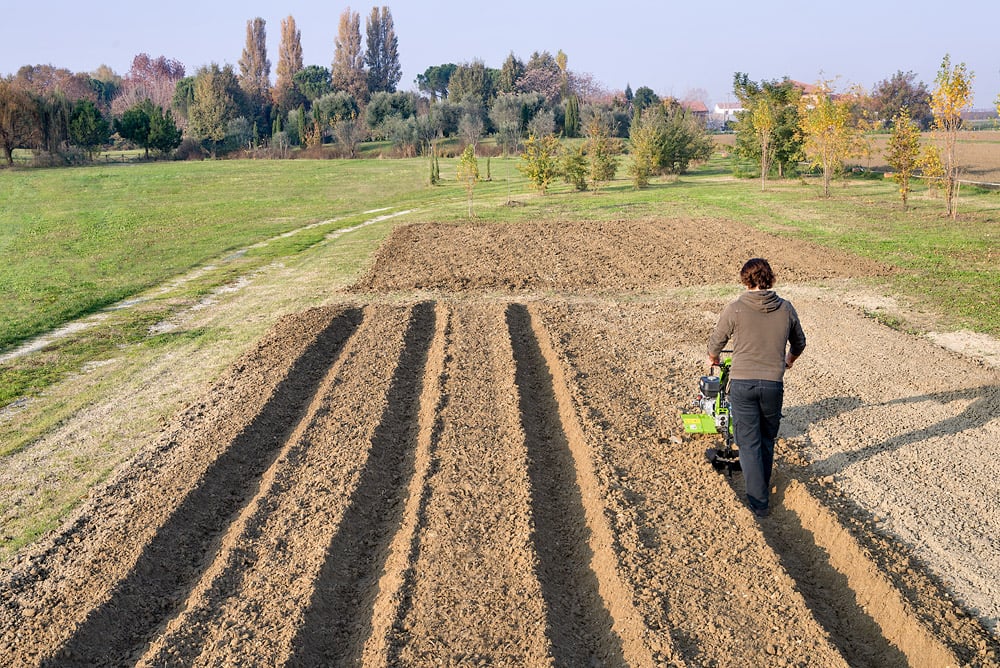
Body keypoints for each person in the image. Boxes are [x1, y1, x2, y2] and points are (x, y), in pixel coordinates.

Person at [707, 258, 806, 518]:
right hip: (773, 384)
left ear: (745, 280)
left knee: (748, 443)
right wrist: (789, 360)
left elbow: (717, 340)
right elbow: (799, 343)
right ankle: (762, 485)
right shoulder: (785, 308)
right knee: (765, 439)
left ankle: (759, 502)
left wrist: (713, 357)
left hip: (743, 384)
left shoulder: (736, 308)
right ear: (770, 278)